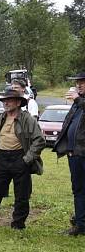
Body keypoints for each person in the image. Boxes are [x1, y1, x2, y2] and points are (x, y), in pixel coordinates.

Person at [0, 89, 44, 231]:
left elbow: (39, 140)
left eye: (9, 100)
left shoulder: (27, 119)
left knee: (22, 195)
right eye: (4, 100)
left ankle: (18, 224)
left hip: (20, 158)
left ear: (18, 103)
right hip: (1, 159)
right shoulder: (0, 118)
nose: (5, 102)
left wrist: (27, 159)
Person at [54, 71, 85, 236]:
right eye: (77, 82)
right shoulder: (76, 104)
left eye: (82, 82)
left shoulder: (79, 101)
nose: (78, 85)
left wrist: (78, 99)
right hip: (75, 154)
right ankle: (81, 225)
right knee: (78, 190)